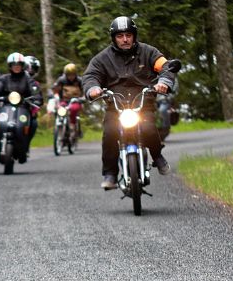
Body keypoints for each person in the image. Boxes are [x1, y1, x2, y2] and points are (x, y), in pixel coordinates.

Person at [82, 16, 177, 190]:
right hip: (115, 107)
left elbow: (166, 66)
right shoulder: (102, 58)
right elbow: (90, 76)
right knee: (110, 133)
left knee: (148, 128)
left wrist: (164, 82)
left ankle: (157, 156)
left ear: (134, 35)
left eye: (128, 35)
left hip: (143, 104)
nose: (124, 39)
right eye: (120, 36)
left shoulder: (149, 52)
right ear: (114, 38)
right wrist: (92, 88)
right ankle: (110, 174)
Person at [0, 52, 43, 162]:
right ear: (10, 66)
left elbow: (35, 90)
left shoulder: (28, 79)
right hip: (5, 107)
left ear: (23, 66)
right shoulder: (4, 78)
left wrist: (37, 99)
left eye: (19, 65)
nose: (16, 67)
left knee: (33, 122)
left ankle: (25, 147)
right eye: (14, 65)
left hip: (23, 108)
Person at [51, 63, 84, 136]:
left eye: (72, 74)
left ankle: (73, 125)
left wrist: (83, 98)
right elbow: (54, 89)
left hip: (76, 101)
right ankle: (58, 126)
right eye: (69, 75)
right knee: (59, 109)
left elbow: (84, 91)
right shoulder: (61, 80)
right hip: (64, 101)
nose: (71, 77)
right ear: (66, 74)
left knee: (73, 109)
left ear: (75, 74)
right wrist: (54, 96)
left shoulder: (79, 81)